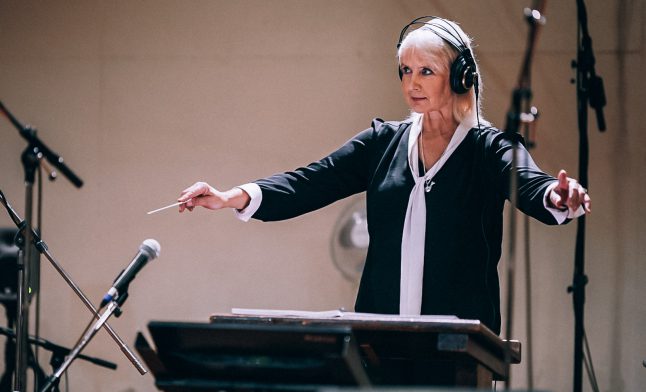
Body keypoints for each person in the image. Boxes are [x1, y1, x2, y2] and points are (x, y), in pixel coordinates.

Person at [177, 17, 591, 335]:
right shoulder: (381, 142)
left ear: (460, 76)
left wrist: (558, 196)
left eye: (426, 71)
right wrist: (231, 196)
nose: (412, 83)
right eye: (405, 70)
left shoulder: (487, 148)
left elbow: (530, 183)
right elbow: (309, 182)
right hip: (380, 339)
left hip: (457, 345)